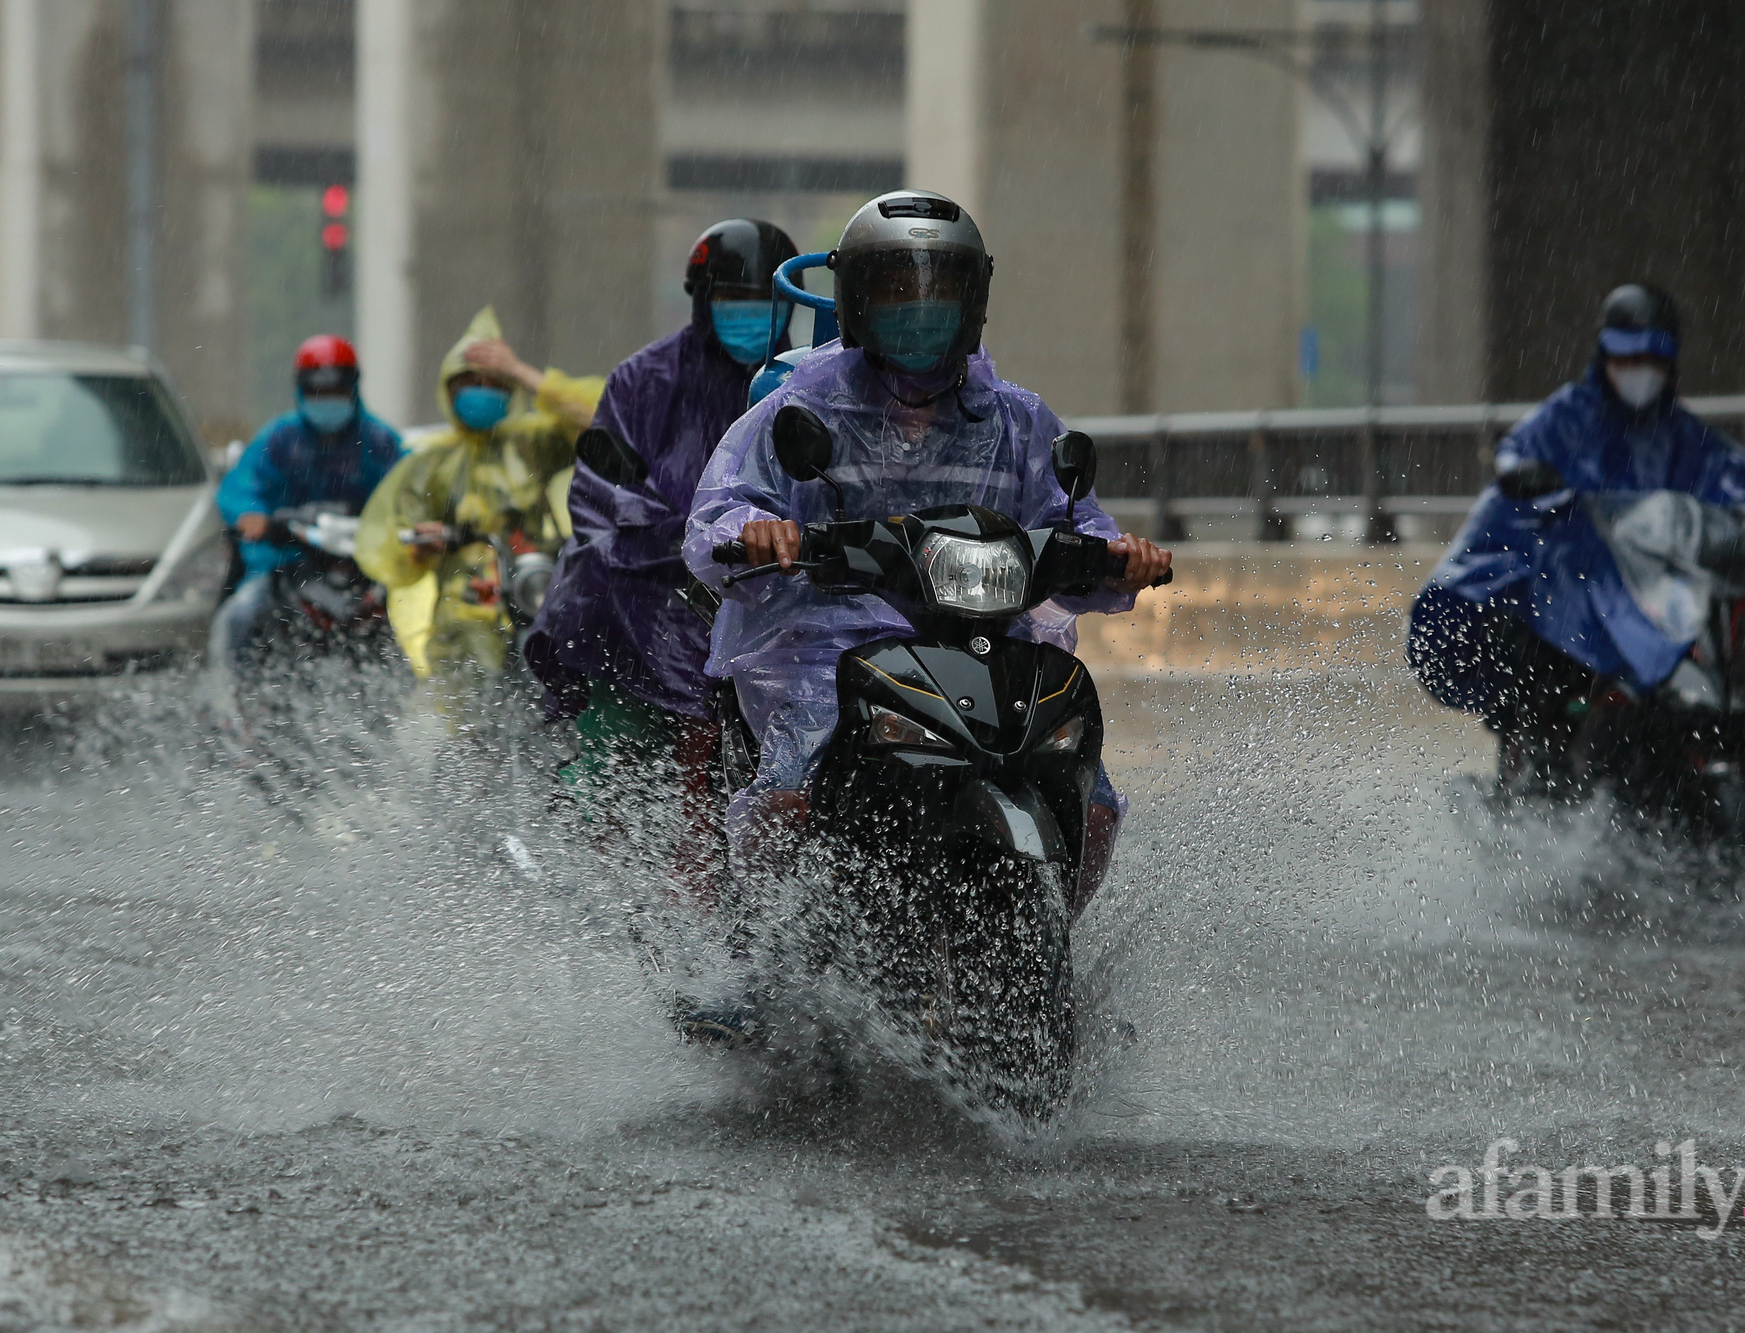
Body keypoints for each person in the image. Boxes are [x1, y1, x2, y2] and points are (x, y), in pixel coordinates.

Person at [683, 190, 1171, 917]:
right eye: (895, 289)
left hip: (987, 642)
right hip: (830, 646)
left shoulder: (1017, 419)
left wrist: (1118, 558)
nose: (918, 306)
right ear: (855, 301)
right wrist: (760, 529)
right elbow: (721, 510)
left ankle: (1052, 933)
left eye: (939, 290)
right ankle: (766, 956)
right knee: (788, 798)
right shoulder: (802, 409)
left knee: (1093, 805)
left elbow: (1074, 523)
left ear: (973, 301)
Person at [1406, 283, 1745, 780]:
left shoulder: (1687, 439)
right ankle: (1542, 757)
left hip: (1665, 608)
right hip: (1578, 610)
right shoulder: (1566, 420)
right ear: (1605, 351)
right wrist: (1532, 485)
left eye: (1655, 355)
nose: (1640, 369)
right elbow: (1517, 463)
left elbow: (1734, 485)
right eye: (1628, 354)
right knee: (1530, 656)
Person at [524, 220, 799, 882]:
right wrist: (697, 550)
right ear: (702, 300)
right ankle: (634, 892)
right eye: (735, 299)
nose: (750, 315)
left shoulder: (815, 384)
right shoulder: (645, 382)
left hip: (790, 605)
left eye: (766, 299)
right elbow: (604, 500)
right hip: (649, 609)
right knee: (655, 756)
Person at [353, 306, 603, 704]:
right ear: (448, 390)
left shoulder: (534, 443)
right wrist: (421, 546)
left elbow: (602, 425)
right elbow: (393, 545)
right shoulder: (430, 464)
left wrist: (521, 370)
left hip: (539, 593)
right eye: (469, 381)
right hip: (465, 617)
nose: (481, 389)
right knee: (466, 719)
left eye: (494, 381)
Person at [210, 335, 403, 686]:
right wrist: (251, 515)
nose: (327, 402)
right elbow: (239, 488)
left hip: (366, 569)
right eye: (317, 392)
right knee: (242, 615)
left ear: (353, 388)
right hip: (286, 562)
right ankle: (243, 705)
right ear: (301, 390)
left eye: (336, 392)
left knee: (413, 623)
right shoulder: (279, 439)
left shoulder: (378, 441)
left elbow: (409, 490)